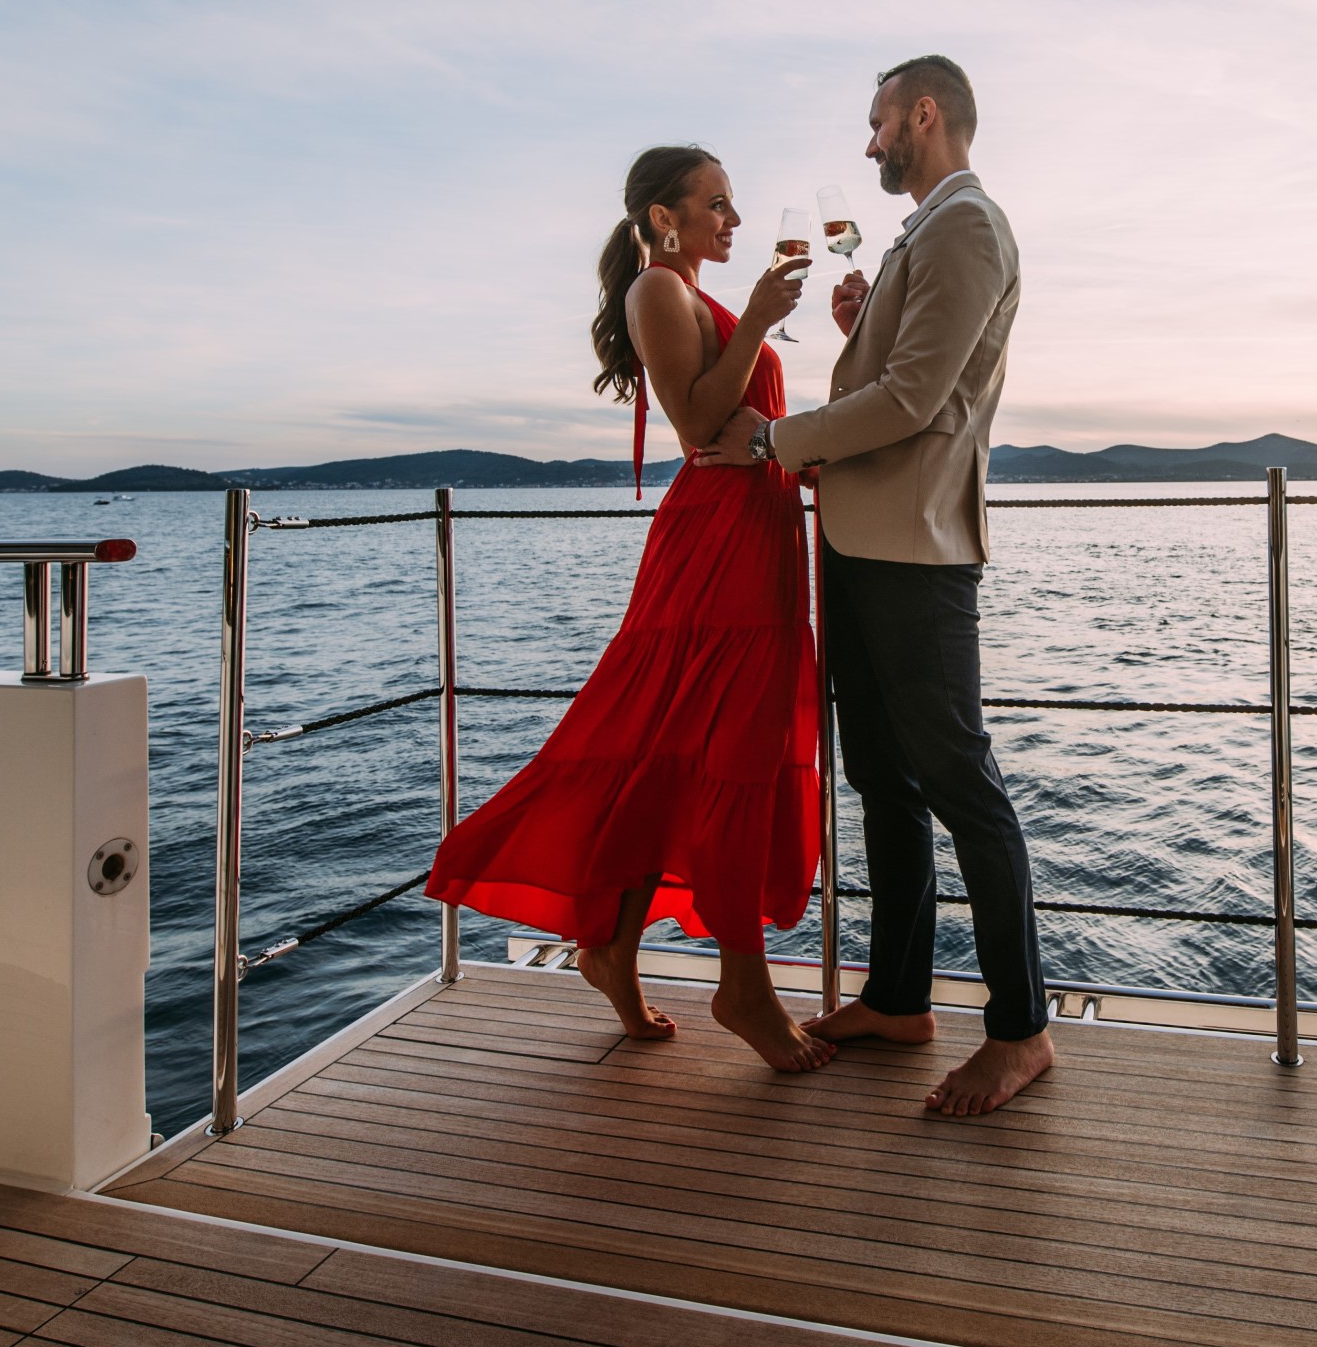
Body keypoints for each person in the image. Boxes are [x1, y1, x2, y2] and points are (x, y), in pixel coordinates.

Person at [425, 146, 836, 1073]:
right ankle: (745, 985)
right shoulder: (659, 289)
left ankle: (611, 948)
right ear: (663, 218)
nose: (732, 221)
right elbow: (697, 427)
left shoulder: (699, 296)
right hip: (718, 555)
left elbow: (748, 430)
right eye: (716, 205)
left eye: (734, 204)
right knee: (719, 753)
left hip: (758, 538)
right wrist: (760, 324)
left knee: (683, 753)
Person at [700, 56, 1053, 1115]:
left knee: (962, 789)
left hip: (916, 553)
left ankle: (1023, 1029)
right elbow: (903, 372)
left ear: (924, 115)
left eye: (878, 123)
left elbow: (913, 400)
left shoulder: (966, 226)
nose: (868, 145)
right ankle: (898, 997)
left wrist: (777, 441)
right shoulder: (926, 234)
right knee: (882, 784)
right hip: (862, 542)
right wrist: (863, 328)